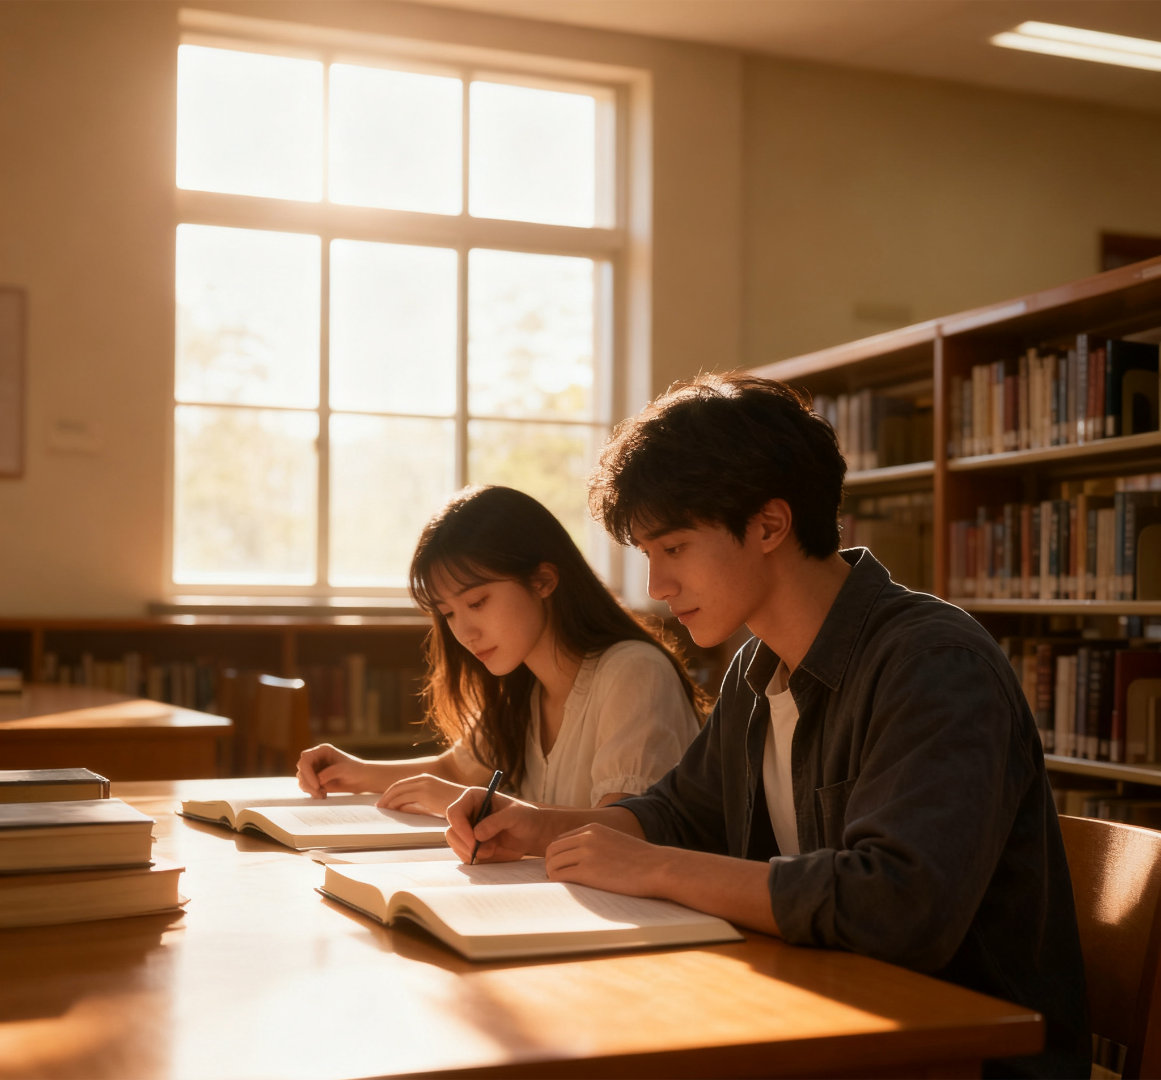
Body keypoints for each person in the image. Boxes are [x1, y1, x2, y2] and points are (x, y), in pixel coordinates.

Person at [446, 374, 1089, 1079]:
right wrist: (542, 828)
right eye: (647, 556)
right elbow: (679, 813)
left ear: (769, 525)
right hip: (826, 1019)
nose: (656, 587)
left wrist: (657, 868)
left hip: (955, 1056)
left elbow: (897, 908)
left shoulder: (933, 663)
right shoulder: (757, 665)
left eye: (674, 548)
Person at [296, 484, 706, 817]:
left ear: (543, 581)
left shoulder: (633, 672)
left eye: (477, 603)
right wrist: (355, 770)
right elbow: (456, 769)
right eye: (448, 614)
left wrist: (483, 807)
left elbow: (621, 828)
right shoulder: (520, 682)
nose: (465, 632)